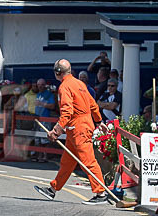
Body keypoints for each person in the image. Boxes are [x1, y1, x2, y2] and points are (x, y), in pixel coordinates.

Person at [34, 59, 110, 205]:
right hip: (81, 126)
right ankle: (53, 189)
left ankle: (100, 193)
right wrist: (99, 121)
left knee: (88, 161)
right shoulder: (80, 84)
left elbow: (67, 112)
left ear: (57, 73)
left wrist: (55, 132)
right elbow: (93, 105)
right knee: (67, 161)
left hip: (78, 128)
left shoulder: (64, 87)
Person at [33, 78, 56, 162]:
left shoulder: (49, 94)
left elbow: (52, 106)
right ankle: (39, 155)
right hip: (37, 118)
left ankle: (45, 156)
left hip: (45, 118)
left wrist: (42, 104)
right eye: (38, 85)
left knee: (45, 138)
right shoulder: (38, 94)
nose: (40, 87)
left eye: (42, 85)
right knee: (38, 138)